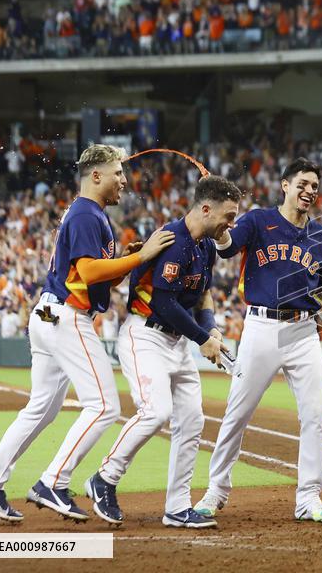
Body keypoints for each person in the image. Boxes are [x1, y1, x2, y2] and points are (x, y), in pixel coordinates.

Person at [0, 144, 176, 523]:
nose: (124, 181)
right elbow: (89, 273)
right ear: (96, 176)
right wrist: (140, 258)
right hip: (65, 318)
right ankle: (53, 482)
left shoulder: (87, 214)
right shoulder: (85, 213)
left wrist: (123, 263)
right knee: (105, 406)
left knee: (41, 410)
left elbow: (91, 277)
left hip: (49, 313)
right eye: (117, 174)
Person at [194, 158, 322, 524]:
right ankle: (215, 490)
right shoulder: (259, 220)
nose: (309, 191)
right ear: (285, 185)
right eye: (302, 184)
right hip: (262, 327)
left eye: (314, 186)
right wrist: (222, 230)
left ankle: (309, 497)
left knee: (314, 414)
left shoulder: (321, 236)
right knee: (237, 413)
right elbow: (228, 246)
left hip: (304, 330)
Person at [90, 175, 239, 528]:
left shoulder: (204, 246)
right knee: (156, 410)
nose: (230, 225)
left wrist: (212, 328)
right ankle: (104, 478)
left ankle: (177, 506)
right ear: (206, 208)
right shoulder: (173, 240)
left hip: (175, 342)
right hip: (145, 336)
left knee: (192, 419)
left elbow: (202, 296)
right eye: (228, 216)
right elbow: (163, 301)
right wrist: (203, 338)